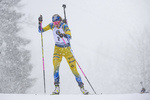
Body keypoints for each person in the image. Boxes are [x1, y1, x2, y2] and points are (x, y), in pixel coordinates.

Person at [38, 14, 89, 95]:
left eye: (57, 22)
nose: (56, 24)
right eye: (54, 23)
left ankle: (82, 88)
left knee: (74, 70)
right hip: (57, 49)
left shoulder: (64, 26)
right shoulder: (52, 26)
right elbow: (41, 30)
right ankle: (57, 88)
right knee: (56, 67)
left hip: (67, 49)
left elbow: (69, 36)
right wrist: (40, 23)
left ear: (60, 21)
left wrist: (64, 35)